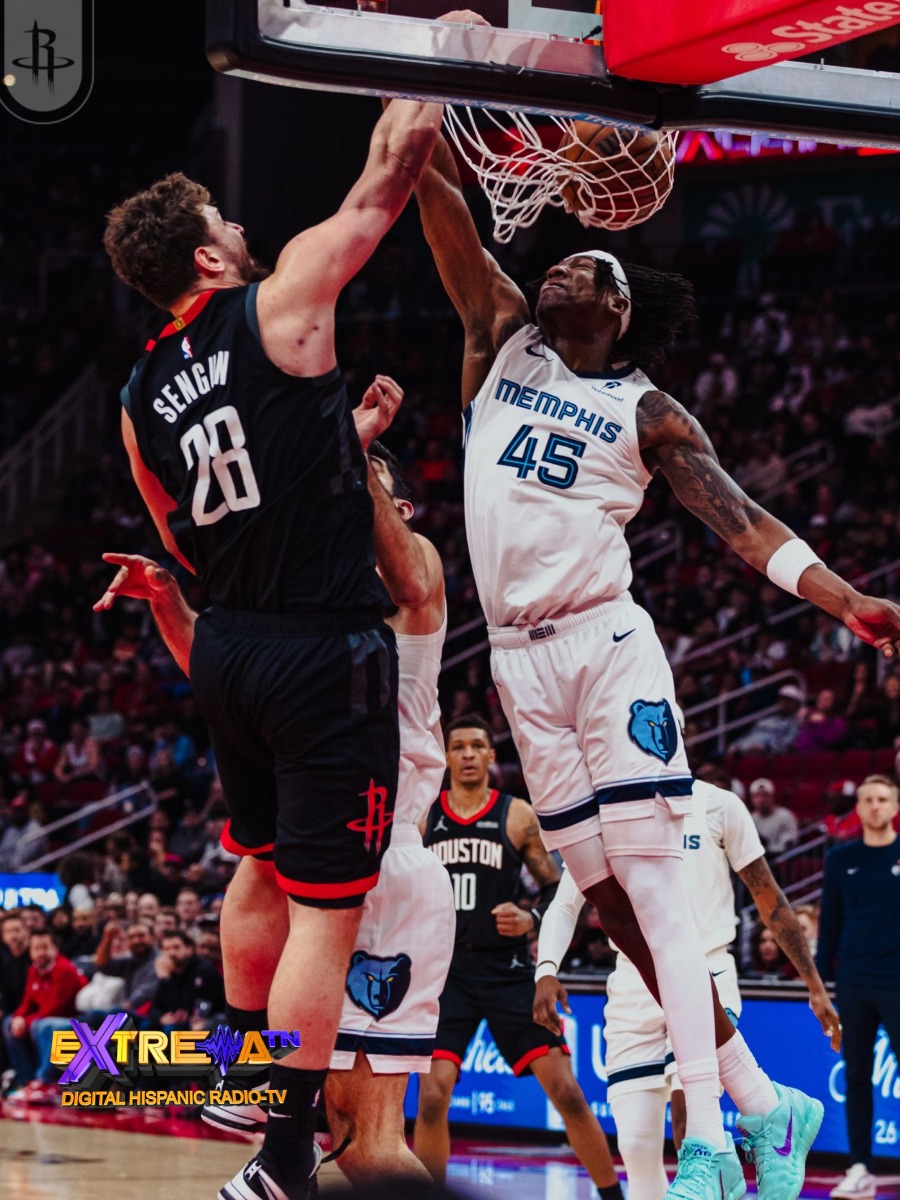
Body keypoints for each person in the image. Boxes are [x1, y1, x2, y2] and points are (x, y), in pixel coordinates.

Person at [412, 124, 900, 1199]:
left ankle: (713, 1139)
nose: (560, 269)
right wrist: (417, 90)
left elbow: (746, 525)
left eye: (586, 267)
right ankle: (767, 1102)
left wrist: (847, 599)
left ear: (621, 308)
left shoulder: (647, 413)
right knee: (613, 905)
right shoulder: (499, 334)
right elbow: (431, 187)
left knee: (654, 888)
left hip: (606, 649)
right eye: (557, 262)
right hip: (516, 663)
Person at [101, 55, 466, 1200]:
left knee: (256, 865)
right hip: (318, 648)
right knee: (326, 912)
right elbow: (388, 172)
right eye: (226, 221)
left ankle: (239, 1069)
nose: (244, 226)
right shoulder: (283, 297)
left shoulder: (135, 399)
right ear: (209, 260)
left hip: (229, 644)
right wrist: (445, 52)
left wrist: (326, 449)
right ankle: (285, 1154)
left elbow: (182, 538)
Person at [94, 382, 457, 1184]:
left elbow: (415, 584)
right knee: (334, 1144)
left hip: (383, 862)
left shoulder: (411, 575)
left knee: (368, 1141)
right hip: (322, 863)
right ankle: (256, 1083)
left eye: (359, 480)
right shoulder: (304, 605)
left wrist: (350, 450)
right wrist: (169, 600)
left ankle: (264, 1103)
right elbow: (227, 674)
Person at [534, 772, 840, 1200]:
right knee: (636, 1145)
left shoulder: (718, 804)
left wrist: (814, 984)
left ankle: (753, 1136)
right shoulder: (603, 813)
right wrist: (546, 968)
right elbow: (566, 904)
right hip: (632, 983)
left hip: (706, 969)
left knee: (689, 1122)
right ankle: (764, 1124)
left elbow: (768, 896)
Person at [416, 715, 624, 1200]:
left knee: (567, 1092)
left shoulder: (517, 815)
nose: (468, 754)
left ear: (492, 756)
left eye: (477, 746)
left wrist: (530, 918)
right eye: (458, 746)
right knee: (431, 1096)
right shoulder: (425, 817)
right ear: (445, 757)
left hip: (507, 971)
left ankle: (612, 1195)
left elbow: (559, 891)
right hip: (446, 974)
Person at [816, 775, 900, 1200]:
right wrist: (817, 984)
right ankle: (860, 1167)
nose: (875, 806)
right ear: (859, 807)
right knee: (857, 1076)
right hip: (853, 981)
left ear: (895, 806)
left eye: (882, 799)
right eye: (868, 799)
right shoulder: (840, 859)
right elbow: (829, 923)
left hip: (897, 980)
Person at [3, 929, 87, 1103]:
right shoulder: (33, 970)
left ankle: (47, 1082)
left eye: (45, 947)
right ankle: (24, 1080)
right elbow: (27, 1002)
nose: (40, 952)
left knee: (41, 1026)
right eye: (36, 948)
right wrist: (19, 1018)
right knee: (8, 1022)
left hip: (75, 1019)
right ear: (30, 952)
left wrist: (26, 1022)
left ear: (55, 949)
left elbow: (55, 1008)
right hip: (47, 1018)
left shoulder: (64, 970)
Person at [729, 683, 804, 754]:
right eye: (782, 699)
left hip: (766, 756)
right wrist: (737, 744)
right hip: (744, 752)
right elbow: (750, 736)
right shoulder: (766, 720)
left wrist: (766, 747)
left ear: (796, 704)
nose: (784, 703)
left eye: (788, 701)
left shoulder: (795, 723)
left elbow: (787, 745)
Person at [748, 778, 799, 857]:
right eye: (757, 796)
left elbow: (789, 843)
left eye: (765, 796)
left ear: (772, 796)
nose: (761, 800)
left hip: (780, 858)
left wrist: (767, 849)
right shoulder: (750, 819)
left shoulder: (785, 816)